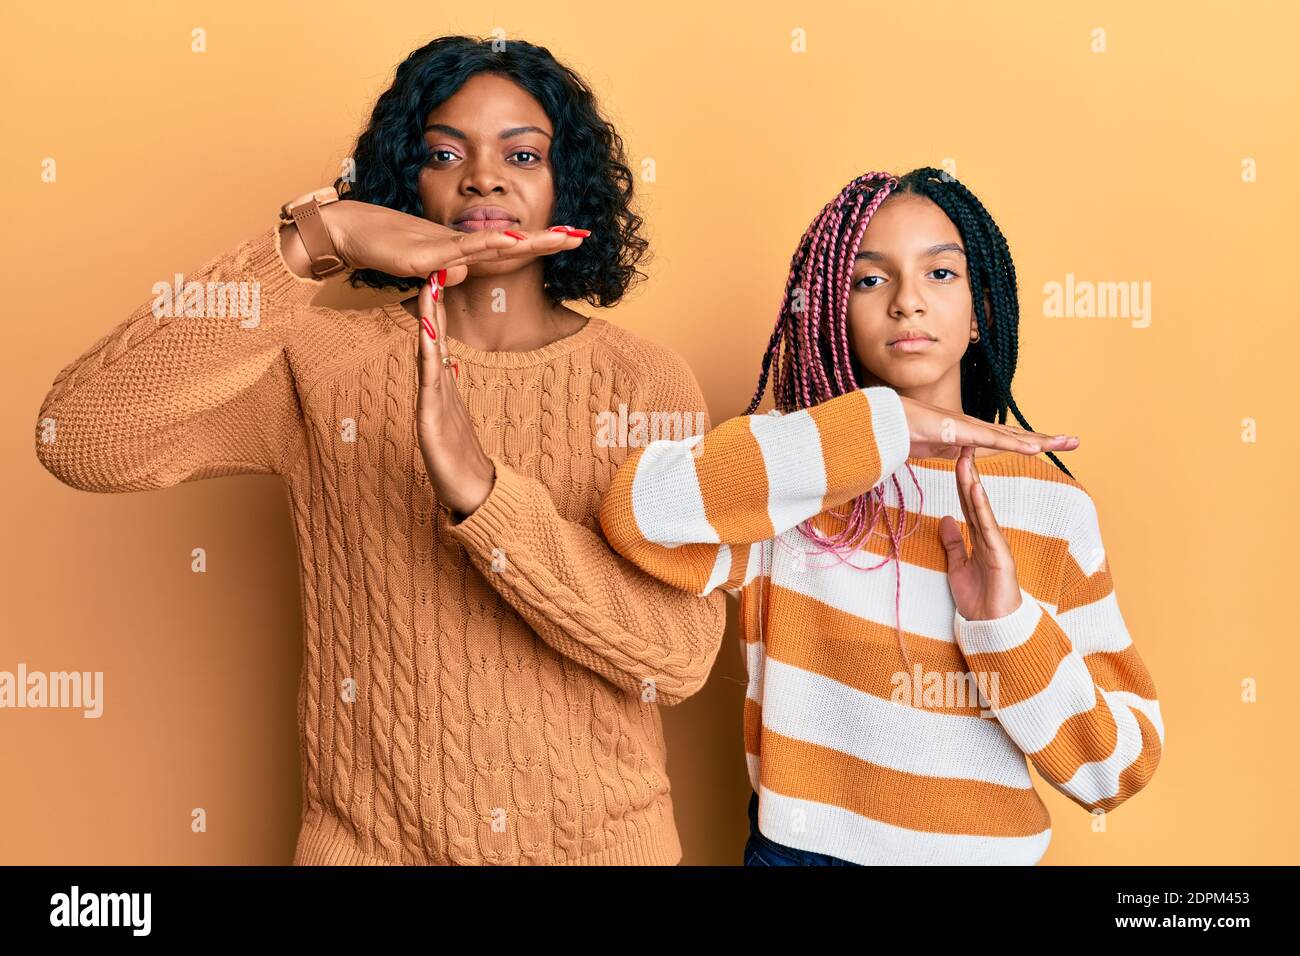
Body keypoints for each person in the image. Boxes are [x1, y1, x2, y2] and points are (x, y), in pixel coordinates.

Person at [34, 35, 727, 866]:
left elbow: (680, 657)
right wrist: (312, 237)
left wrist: (482, 495)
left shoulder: (643, 381)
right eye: (445, 152)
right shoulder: (322, 364)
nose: (483, 176)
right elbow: (79, 438)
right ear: (408, 183)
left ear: (562, 183)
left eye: (524, 152)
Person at [599, 168, 1163, 865]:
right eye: (870, 280)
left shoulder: (1051, 507)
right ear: (834, 312)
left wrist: (1005, 628)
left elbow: (1116, 771)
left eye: (941, 274)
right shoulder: (798, 471)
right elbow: (638, 516)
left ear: (982, 306)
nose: (907, 304)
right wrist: (878, 429)